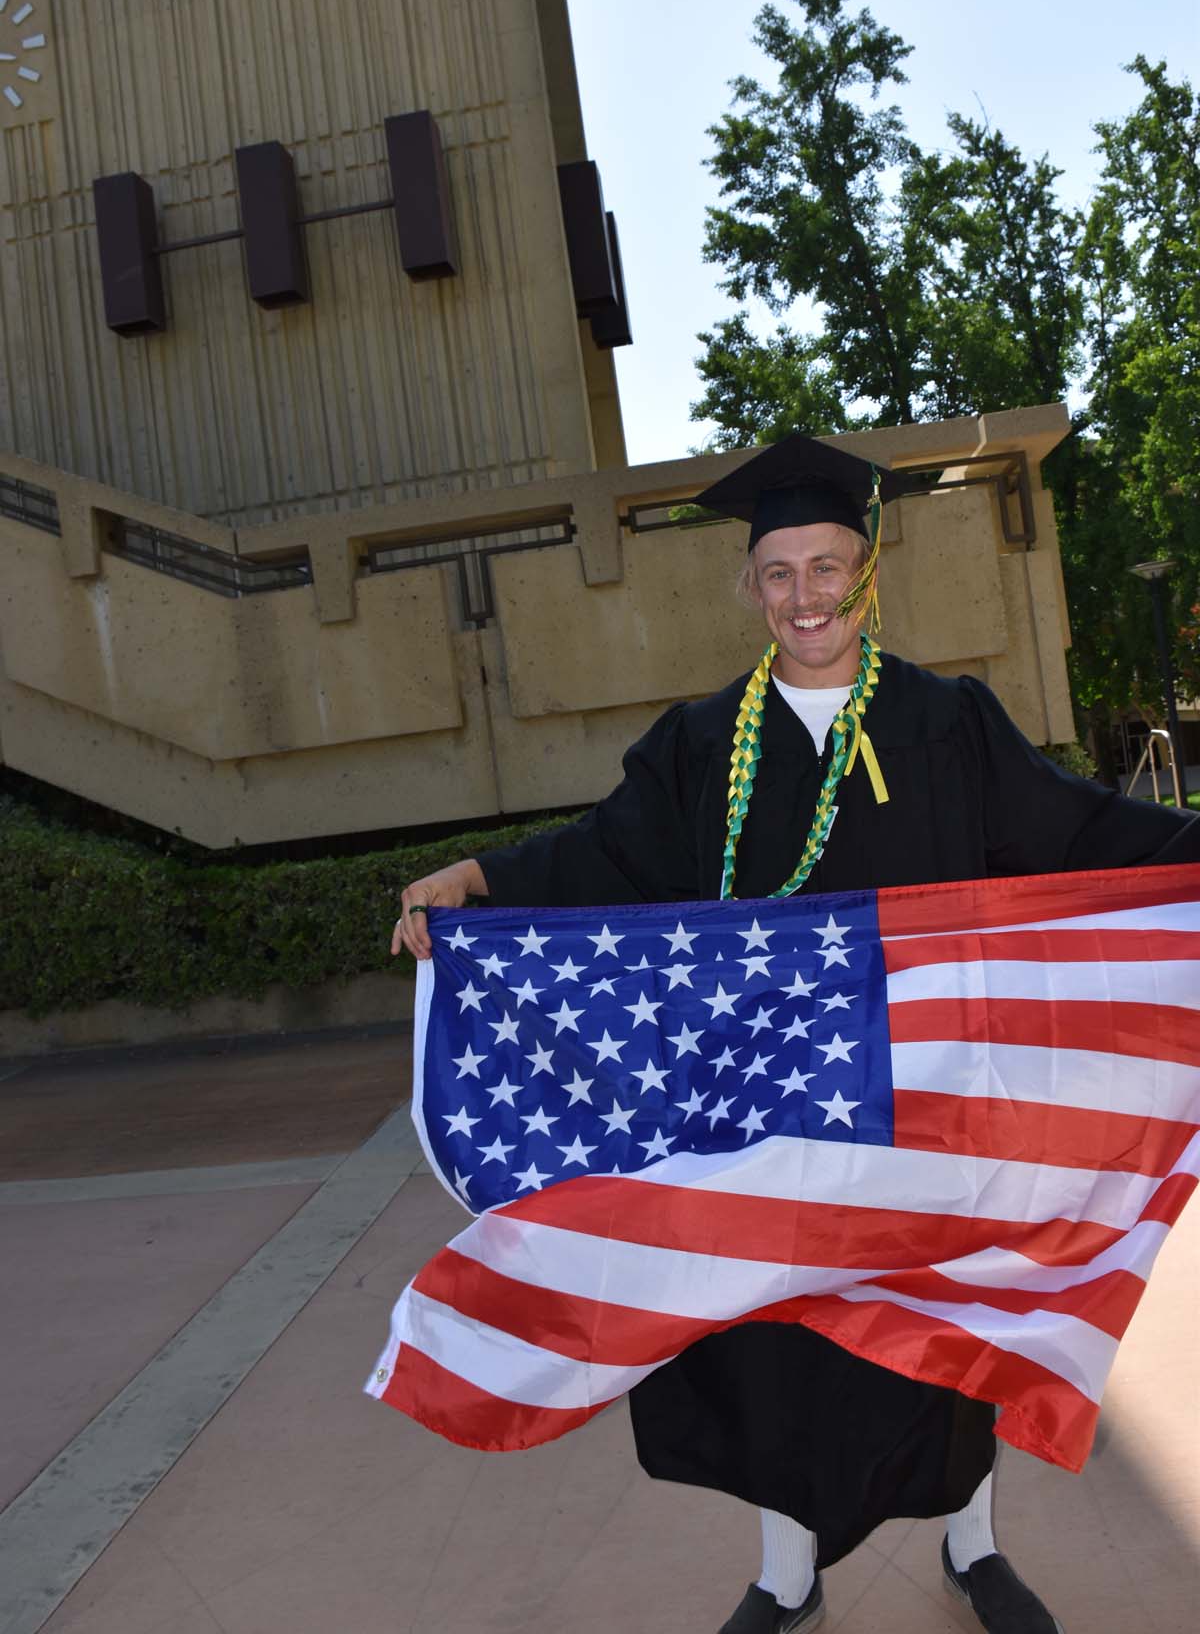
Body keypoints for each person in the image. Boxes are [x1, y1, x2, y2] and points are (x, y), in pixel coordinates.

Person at [392, 432, 1200, 1634]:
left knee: (940, 1315)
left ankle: (974, 1548)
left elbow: (1075, 833)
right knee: (771, 1335)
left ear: (865, 574)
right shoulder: (704, 742)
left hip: (925, 1101)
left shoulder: (945, 720)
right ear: (750, 586)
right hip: (762, 1108)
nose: (804, 595)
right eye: (779, 572)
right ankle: (786, 1577)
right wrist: (481, 880)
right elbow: (608, 856)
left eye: (826, 567)